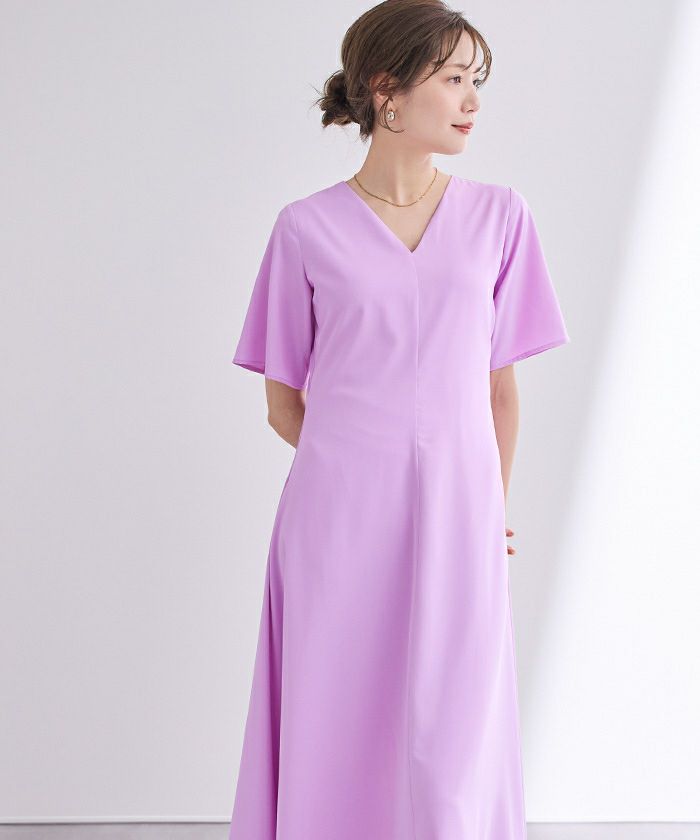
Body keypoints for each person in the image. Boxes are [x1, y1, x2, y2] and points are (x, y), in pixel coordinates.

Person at [228, 1, 570, 837]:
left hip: (459, 513)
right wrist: (370, 467)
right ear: (387, 89)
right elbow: (283, 403)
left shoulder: (501, 217)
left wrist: (483, 500)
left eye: (475, 80)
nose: (472, 101)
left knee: (456, 726)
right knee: (335, 710)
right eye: (452, 79)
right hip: (337, 518)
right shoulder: (305, 229)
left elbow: (499, 391)